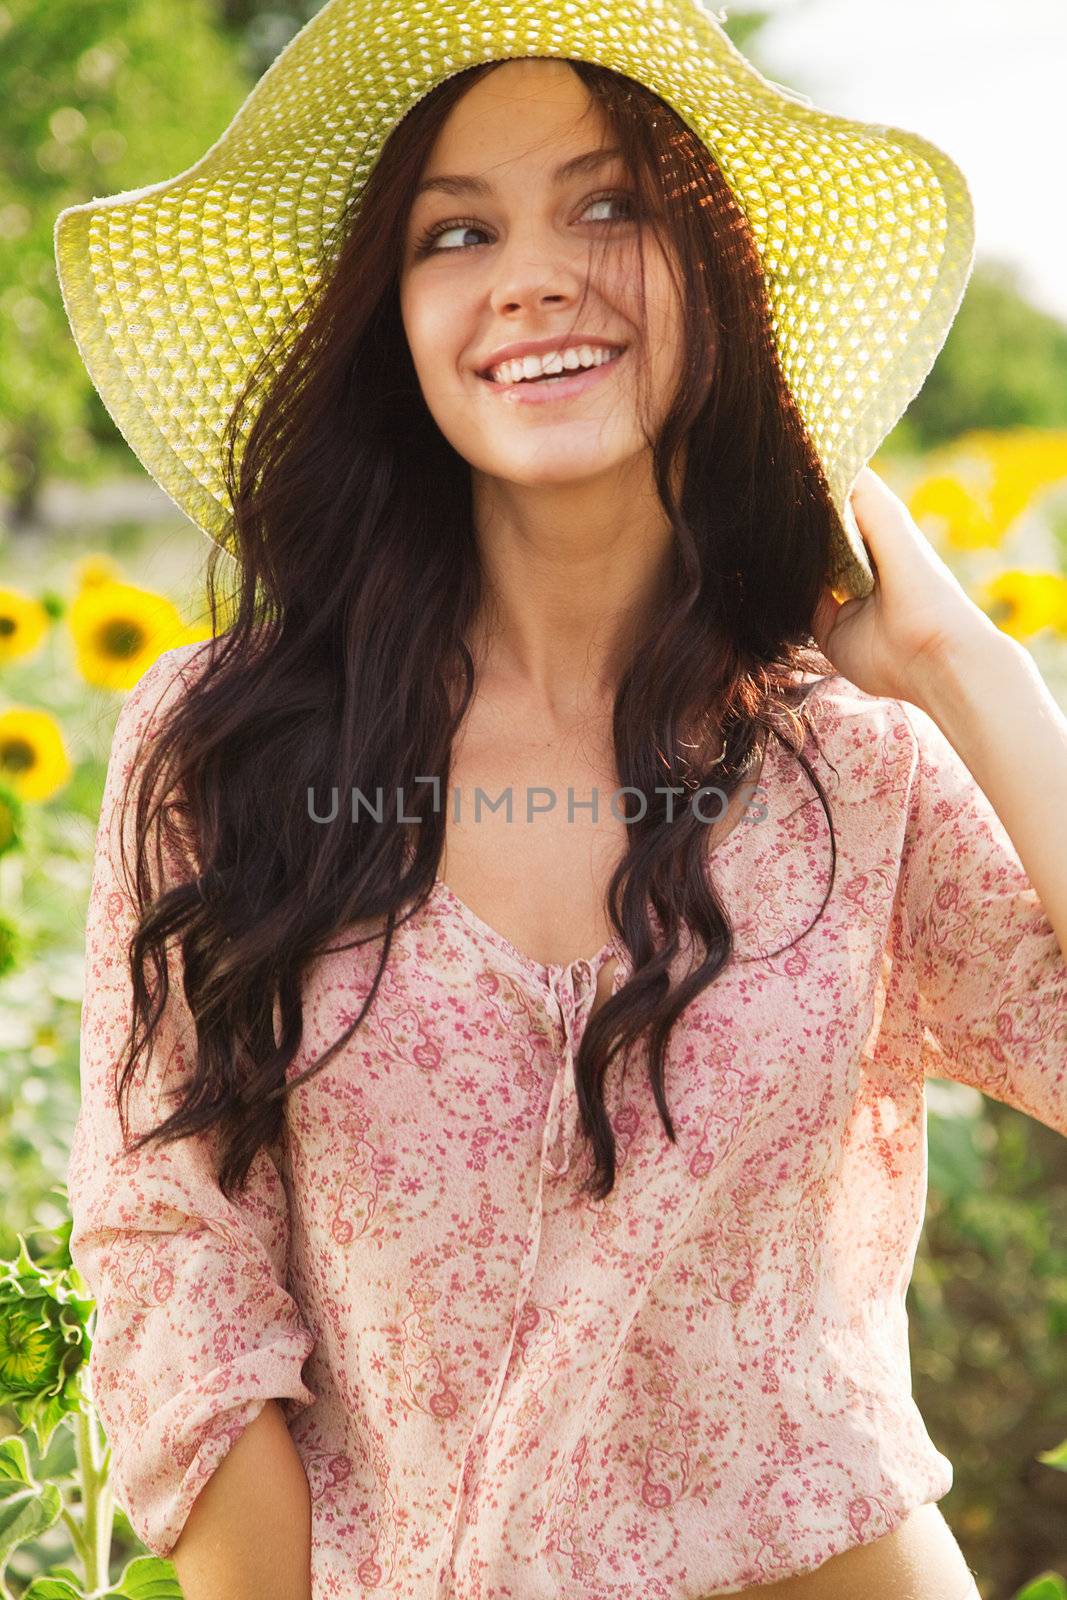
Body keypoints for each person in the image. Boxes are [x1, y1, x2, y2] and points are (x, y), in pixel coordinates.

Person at [56, 9, 1065, 1599]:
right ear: (393, 320)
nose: (535, 274)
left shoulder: (849, 768)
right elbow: (176, 1259)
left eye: (612, 206)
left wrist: (963, 663)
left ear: (717, 279)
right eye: (458, 231)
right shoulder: (225, 745)